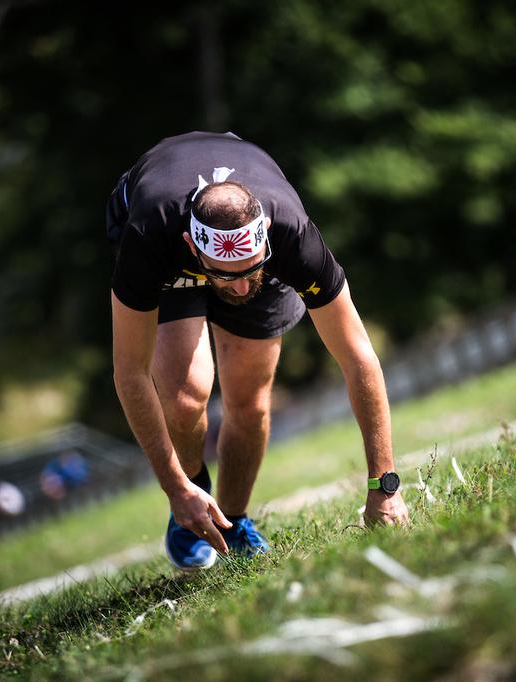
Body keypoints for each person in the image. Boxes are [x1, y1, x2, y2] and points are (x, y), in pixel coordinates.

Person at [108, 131, 409, 571]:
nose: (242, 288)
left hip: (238, 245)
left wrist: (384, 486)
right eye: (228, 277)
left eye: (251, 272)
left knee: (249, 404)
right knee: (185, 397)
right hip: (167, 248)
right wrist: (175, 488)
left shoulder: (291, 235)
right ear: (195, 248)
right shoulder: (150, 237)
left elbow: (357, 355)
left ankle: (232, 521)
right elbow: (129, 373)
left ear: (264, 233)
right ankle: (191, 506)